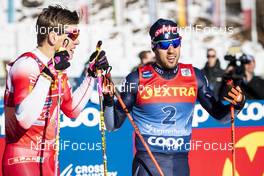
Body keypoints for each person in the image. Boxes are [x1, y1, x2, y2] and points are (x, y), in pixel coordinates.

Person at [102, 18, 245, 176]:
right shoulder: (137, 79)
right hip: (148, 164)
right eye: (164, 45)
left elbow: (221, 116)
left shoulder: (194, 77)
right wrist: (108, 100)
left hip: (180, 165)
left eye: (175, 43)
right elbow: (112, 125)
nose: (171, 50)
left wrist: (237, 105)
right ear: (154, 47)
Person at [3, 5, 107, 176]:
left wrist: (91, 75)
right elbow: (24, 119)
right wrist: (49, 72)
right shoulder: (27, 64)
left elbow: (71, 109)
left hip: (50, 160)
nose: (77, 41)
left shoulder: (57, 69)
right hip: (22, 159)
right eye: (73, 35)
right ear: (53, 37)